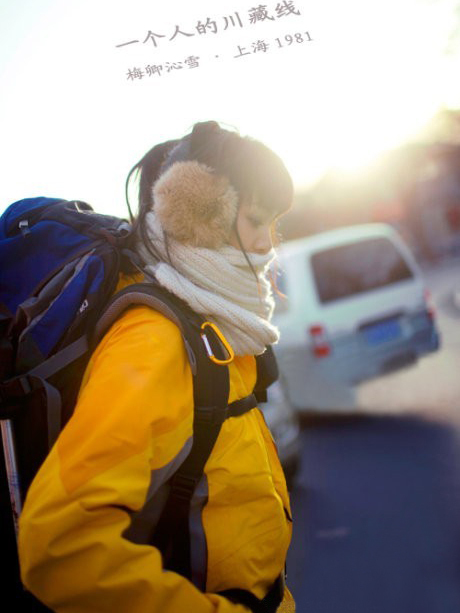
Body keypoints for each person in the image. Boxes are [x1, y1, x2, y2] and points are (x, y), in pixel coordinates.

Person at [18, 120, 295, 612]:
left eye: (276, 222)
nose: (266, 243)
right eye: (256, 218)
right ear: (196, 215)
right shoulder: (155, 341)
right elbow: (62, 549)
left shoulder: (218, 323)